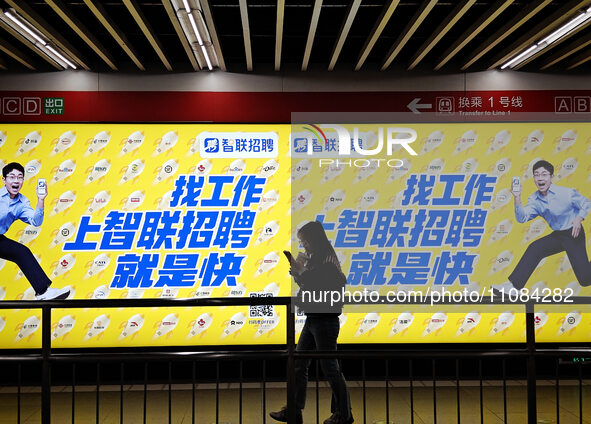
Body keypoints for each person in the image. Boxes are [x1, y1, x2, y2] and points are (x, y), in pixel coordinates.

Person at [270, 221, 353, 424]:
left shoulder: (327, 259)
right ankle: (294, 410)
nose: (304, 245)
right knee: (299, 364)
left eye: (305, 241)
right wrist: (300, 275)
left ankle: (344, 414)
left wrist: (304, 273)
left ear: (315, 239)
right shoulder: (318, 258)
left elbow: (333, 283)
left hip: (324, 319)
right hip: (314, 317)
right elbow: (314, 285)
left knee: (330, 368)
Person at [492, 159, 591, 293]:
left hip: (573, 233)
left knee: (585, 279)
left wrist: (579, 218)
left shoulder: (566, 193)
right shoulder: (535, 199)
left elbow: (586, 203)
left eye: (544, 174)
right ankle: (514, 287)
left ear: (551, 177)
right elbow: (522, 218)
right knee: (535, 248)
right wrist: (517, 197)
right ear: (533, 179)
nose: (540, 178)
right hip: (558, 235)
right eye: (537, 175)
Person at [0, 162, 70, 300]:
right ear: (4, 180)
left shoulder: (22, 202)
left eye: (20, 177)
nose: (16, 180)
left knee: (21, 252)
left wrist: (40, 200)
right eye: (12, 177)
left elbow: (35, 221)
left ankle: (43, 291)